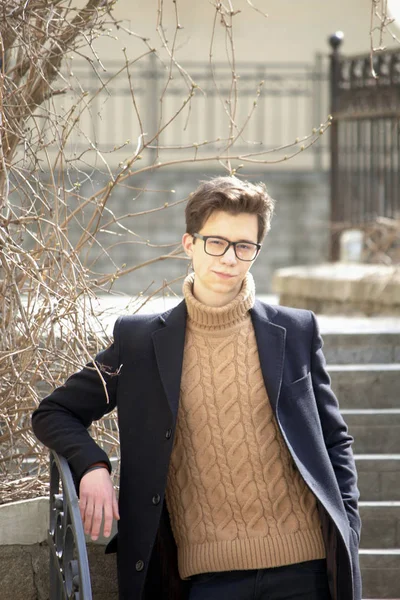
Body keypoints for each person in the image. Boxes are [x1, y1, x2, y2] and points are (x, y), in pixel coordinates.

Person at [32, 176, 361, 600]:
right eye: (216, 242)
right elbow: (54, 412)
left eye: (244, 246)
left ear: (256, 251)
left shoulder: (294, 331)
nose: (229, 257)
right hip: (206, 580)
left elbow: (335, 440)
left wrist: (348, 525)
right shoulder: (142, 343)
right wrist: (93, 466)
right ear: (190, 244)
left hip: (306, 570)